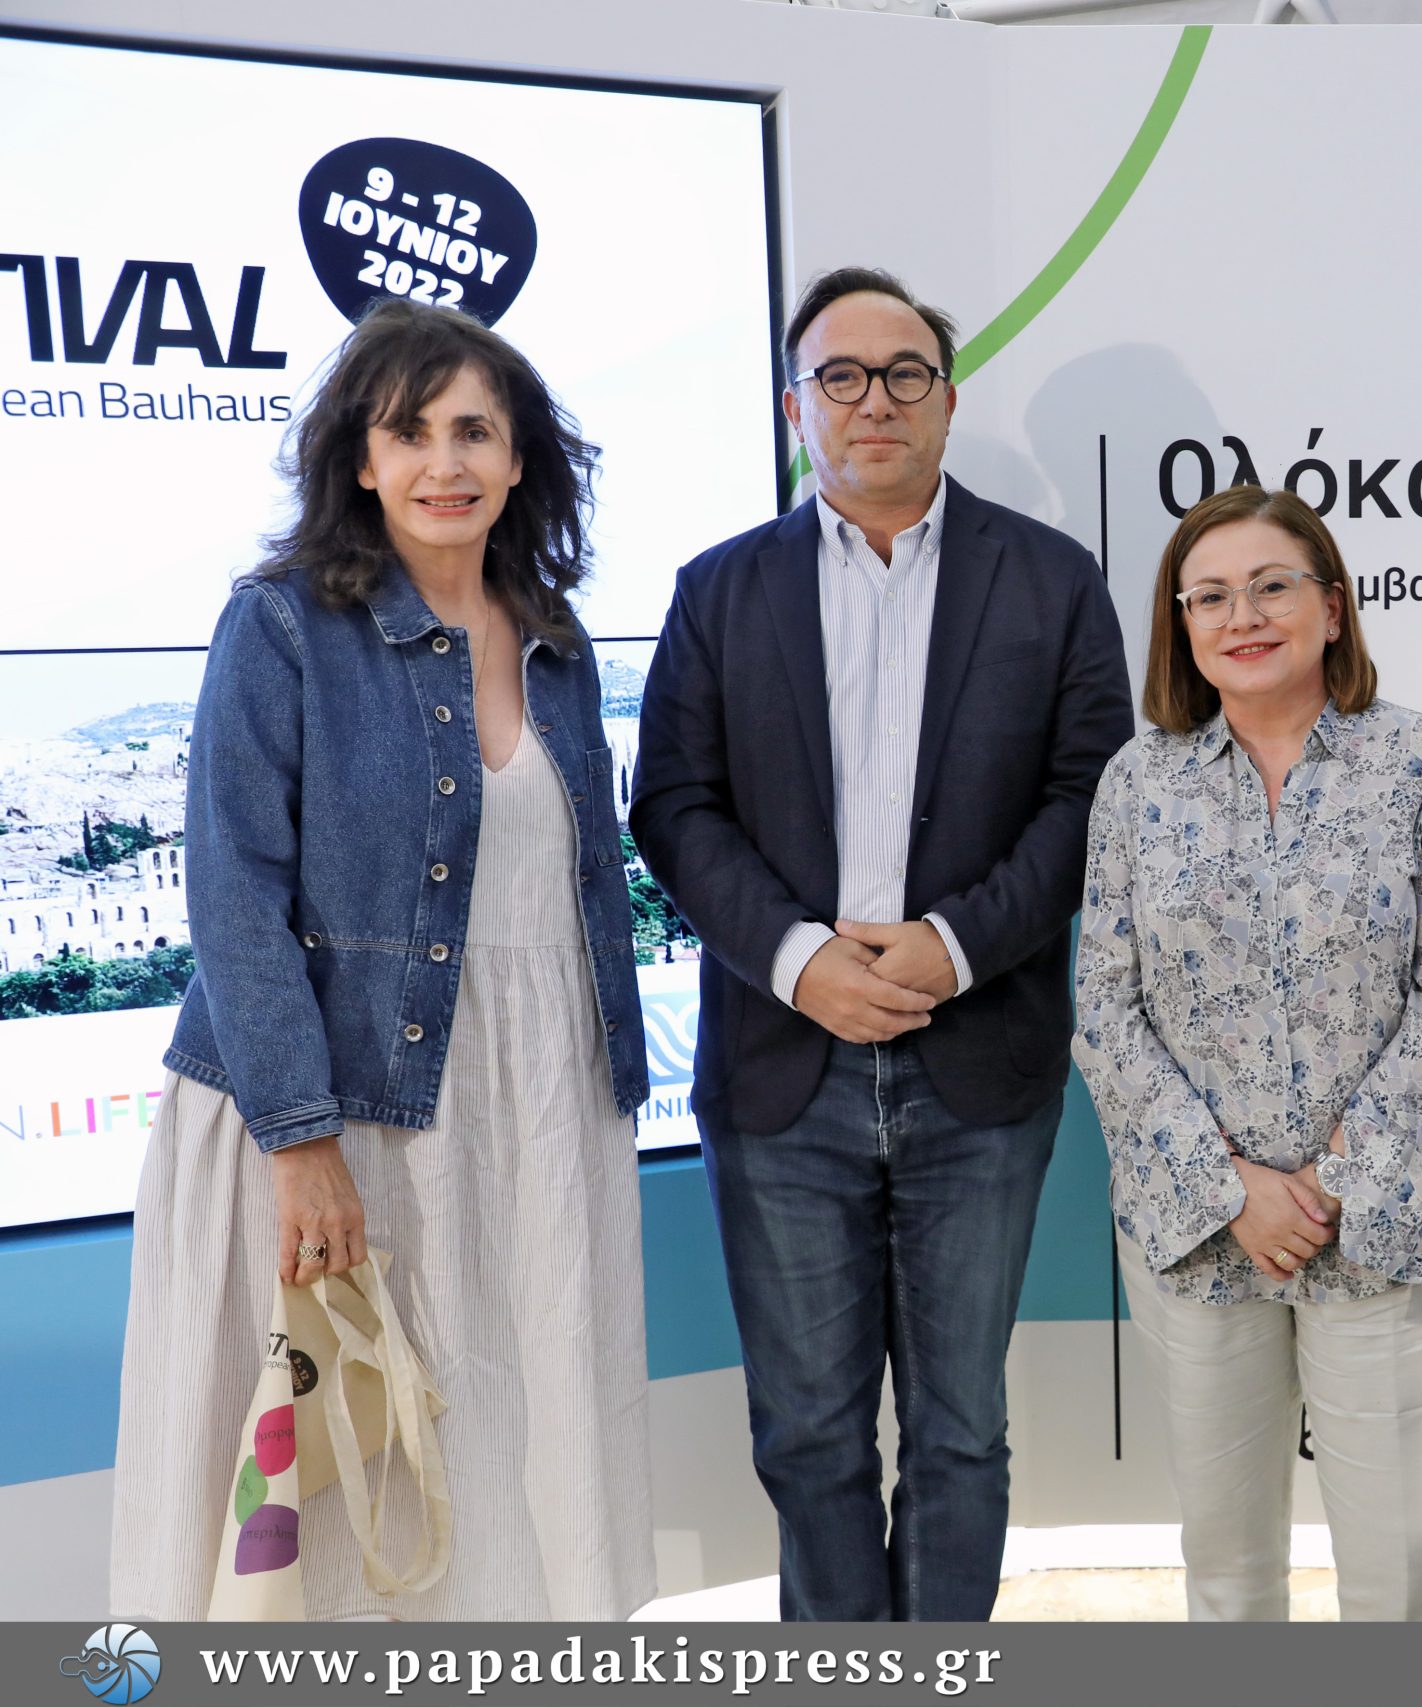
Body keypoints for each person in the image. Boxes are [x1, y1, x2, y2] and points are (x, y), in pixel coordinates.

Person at [109, 297, 653, 1619]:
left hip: (537, 1120)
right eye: (409, 433)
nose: (443, 463)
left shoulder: (557, 643)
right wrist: (300, 1140)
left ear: (519, 458)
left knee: (516, 1444)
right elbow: (233, 892)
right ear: (360, 459)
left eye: (474, 430)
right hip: (343, 1111)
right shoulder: (283, 624)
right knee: (340, 1485)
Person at [630, 266, 1131, 1622]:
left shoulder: (1050, 580)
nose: (875, 400)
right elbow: (671, 804)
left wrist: (953, 945)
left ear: (948, 401)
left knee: (962, 1432)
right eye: (840, 376)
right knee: (808, 1437)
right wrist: (802, 958)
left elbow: (1094, 796)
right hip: (783, 1069)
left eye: (906, 373)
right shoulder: (719, 591)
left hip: (980, 1061)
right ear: (797, 406)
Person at [1073, 483, 1422, 1621]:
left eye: (1271, 587)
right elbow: (1104, 1007)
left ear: (1332, 607)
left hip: (1385, 1225)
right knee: (1227, 1575)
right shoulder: (1137, 784)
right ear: (1181, 625)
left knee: (1398, 1584)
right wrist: (1234, 1191)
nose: (1242, 616)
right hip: (1200, 1233)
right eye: (1209, 596)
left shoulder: (1417, 761)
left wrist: (1333, 1186)